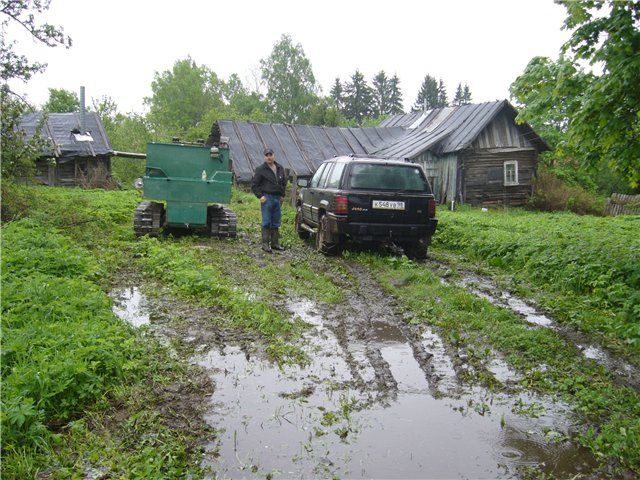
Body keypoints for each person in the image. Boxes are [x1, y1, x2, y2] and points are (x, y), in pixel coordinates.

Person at [251, 147, 287, 252]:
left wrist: (282, 195)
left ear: (273, 155)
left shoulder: (280, 168)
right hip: (267, 198)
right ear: (264, 157)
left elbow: (283, 182)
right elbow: (254, 185)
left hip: (277, 198)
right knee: (266, 221)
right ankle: (265, 245)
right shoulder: (260, 169)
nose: (269, 157)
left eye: (270, 155)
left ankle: (275, 244)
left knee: (276, 221)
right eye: (267, 155)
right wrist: (260, 196)